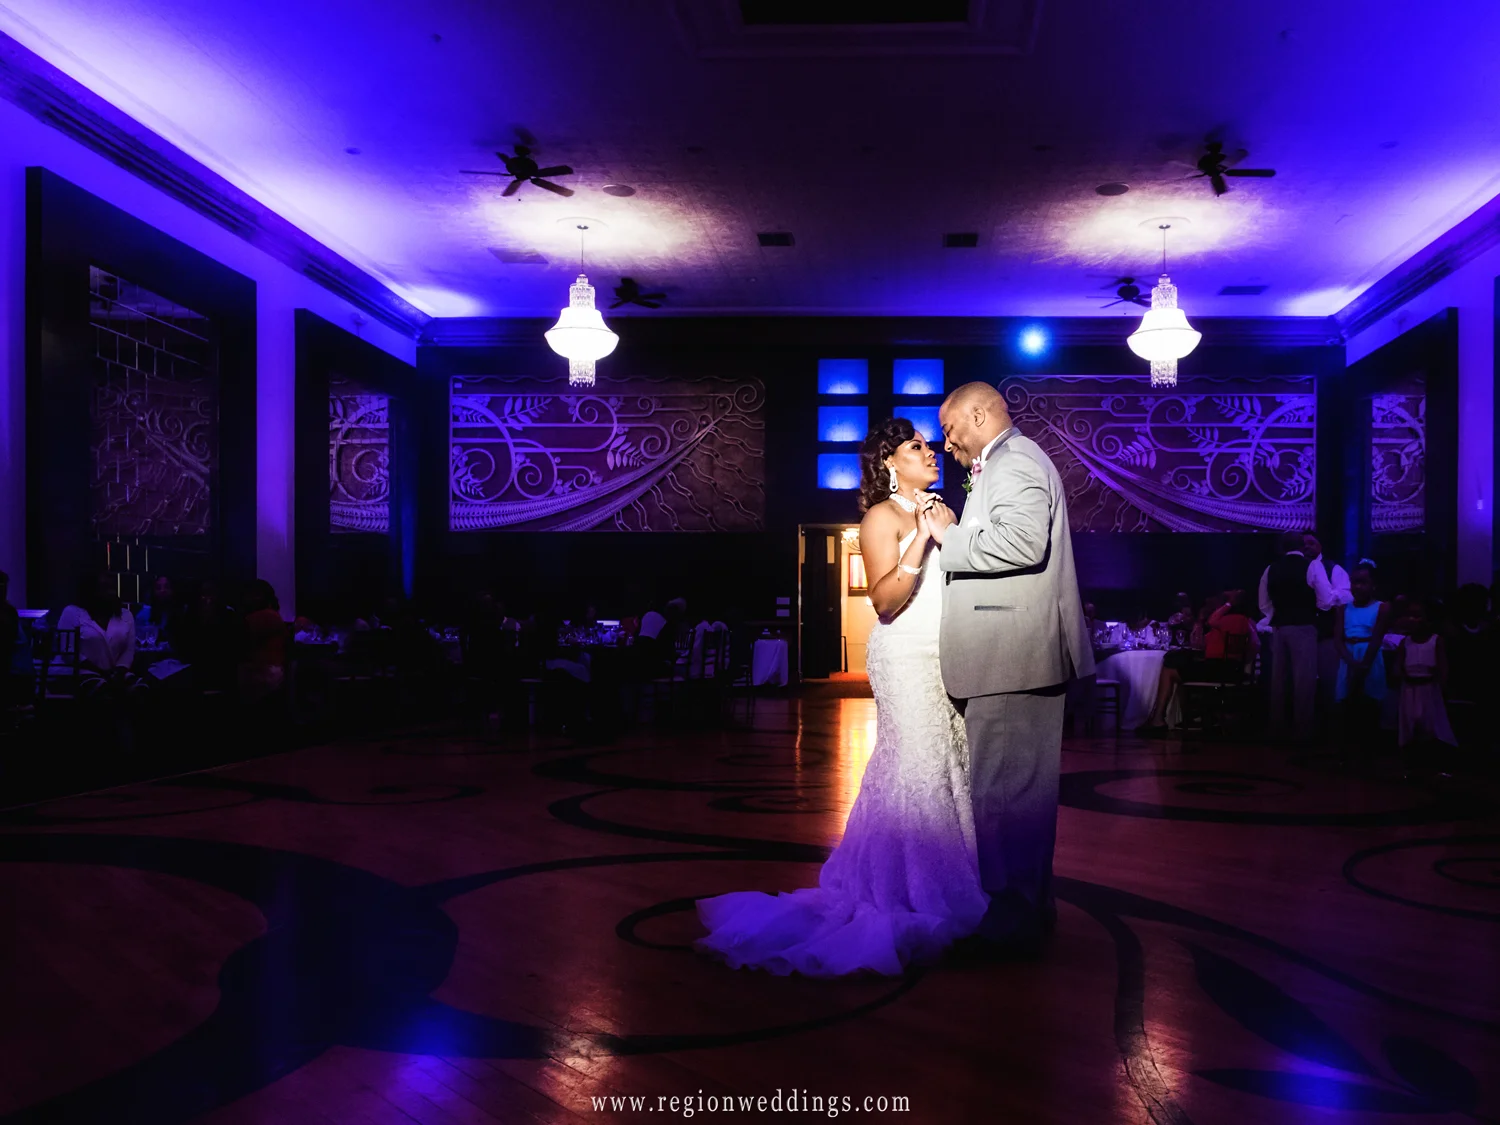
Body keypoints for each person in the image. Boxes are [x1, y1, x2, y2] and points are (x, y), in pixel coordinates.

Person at [696, 417, 986, 975]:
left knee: (949, 768)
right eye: (916, 447)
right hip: (905, 656)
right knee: (917, 767)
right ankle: (910, 896)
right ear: (888, 464)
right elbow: (884, 602)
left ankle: (939, 882)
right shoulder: (882, 517)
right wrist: (923, 538)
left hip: (946, 655)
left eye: (929, 445)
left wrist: (944, 529)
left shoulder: (943, 509)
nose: (931, 453)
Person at [926, 382, 1094, 956]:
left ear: (979, 415)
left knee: (1002, 798)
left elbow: (1022, 543)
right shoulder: (1008, 462)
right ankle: (1028, 907)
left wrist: (946, 535)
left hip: (1010, 659)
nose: (947, 444)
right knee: (1017, 795)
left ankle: (1010, 919)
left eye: (950, 430)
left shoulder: (1015, 459)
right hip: (1013, 659)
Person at [1259, 530, 1337, 741]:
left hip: (1279, 628)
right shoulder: (1312, 566)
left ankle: (1277, 730)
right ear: (1302, 546)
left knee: (1278, 681)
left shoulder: (1271, 569)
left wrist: (1278, 613)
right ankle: (1302, 732)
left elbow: (1263, 604)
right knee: (1304, 680)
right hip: (1303, 626)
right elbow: (1326, 601)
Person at [1392, 598, 1457, 767]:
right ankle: (1412, 761)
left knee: (1430, 724)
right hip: (1409, 689)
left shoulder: (1436, 641)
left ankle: (1432, 761)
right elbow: (1398, 666)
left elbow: (1443, 667)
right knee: (1410, 722)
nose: (1413, 620)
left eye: (1418, 616)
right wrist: (1398, 675)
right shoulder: (1405, 642)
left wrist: (1442, 685)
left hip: (1429, 689)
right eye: (1410, 616)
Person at [1333, 564, 1390, 754]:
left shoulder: (1381, 607)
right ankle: (1347, 746)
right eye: (1354, 582)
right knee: (1346, 701)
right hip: (1349, 656)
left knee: (1370, 702)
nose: (1357, 587)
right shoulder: (1343, 609)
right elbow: (1338, 639)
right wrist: (1350, 661)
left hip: (1369, 656)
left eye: (1363, 583)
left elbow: (1376, 638)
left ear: (1373, 585)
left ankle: (1369, 747)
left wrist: (1364, 663)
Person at [1304, 532, 1353, 722]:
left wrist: (1326, 594)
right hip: (1303, 633)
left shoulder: (1333, 569)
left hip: (1326, 634)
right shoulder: (1296, 568)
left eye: (1311, 543)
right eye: (1303, 544)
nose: (1307, 547)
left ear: (1320, 546)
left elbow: (1346, 596)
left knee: (1329, 681)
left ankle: (1331, 727)